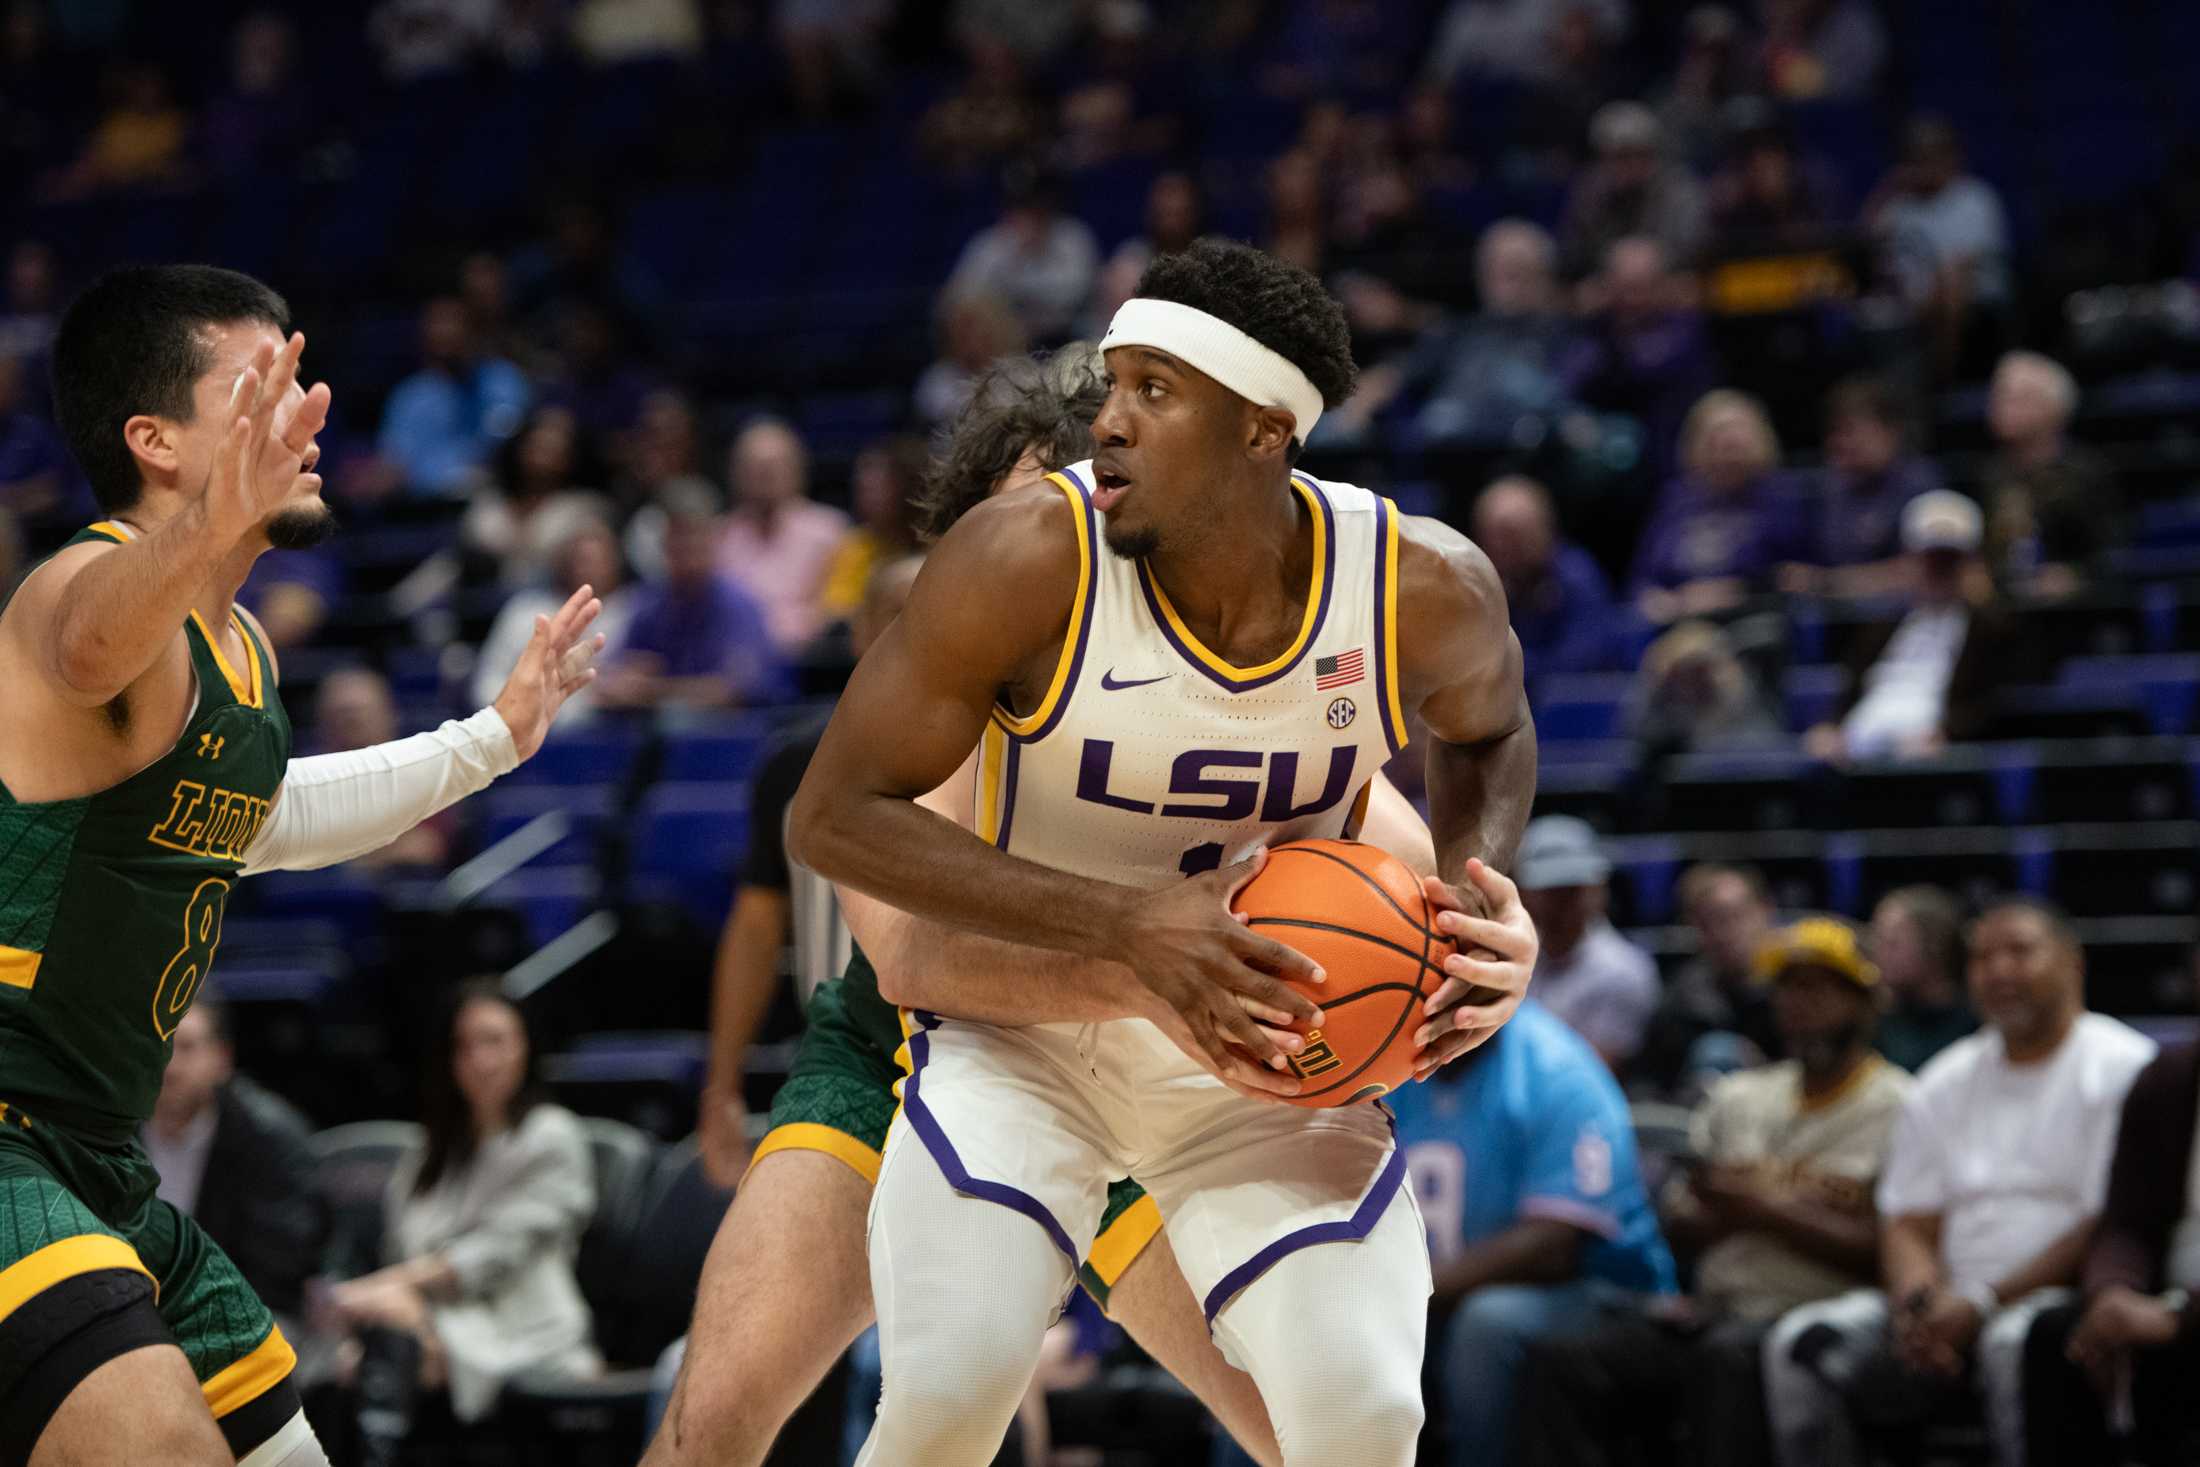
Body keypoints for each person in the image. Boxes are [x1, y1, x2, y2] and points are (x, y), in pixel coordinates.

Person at [788, 239, 1540, 1467]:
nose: (1109, 422)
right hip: (1024, 1049)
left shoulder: (1418, 583)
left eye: (1153, 391)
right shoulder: (1026, 558)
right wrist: (1127, 925)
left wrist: (1475, 902)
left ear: (1262, 431)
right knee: (951, 1391)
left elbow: (1491, 730)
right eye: (1111, 384)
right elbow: (830, 819)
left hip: (1261, 1046)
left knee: (1364, 1409)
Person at [655, 345, 1446, 1467]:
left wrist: (1469, 942)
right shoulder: (923, 689)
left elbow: (1408, 877)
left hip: (1142, 1077)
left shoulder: (1218, 680)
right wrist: (1151, 962)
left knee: (1309, 1429)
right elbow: (914, 961)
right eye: (1021, 519)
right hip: (904, 1057)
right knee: (715, 1423)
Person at [0, 265, 600, 1466]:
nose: (307, 411)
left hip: (104, 1160)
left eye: (305, 375)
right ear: (154, 441)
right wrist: (215, 520)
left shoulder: (244, 648)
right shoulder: (74, 592)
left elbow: (261, 821)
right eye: (262, 383)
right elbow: (86, 648)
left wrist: (489, 741)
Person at [1762, 898, 2157, 1467]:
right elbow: (1907, 1219)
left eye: (2019, 952)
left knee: (2014, 1345)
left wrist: (1981, 1304)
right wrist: (1918, 1308)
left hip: (2055, 1297)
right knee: (1802, 1344)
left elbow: (2107, 1221)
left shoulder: (2124, 1067)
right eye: (1982, 958)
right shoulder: (1945, 1078)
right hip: (1944, 1301)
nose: (1998, 971)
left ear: (2073, 963)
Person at [1517, 916, 1909, 1467]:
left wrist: (1753, 1206)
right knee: (1567, 1362)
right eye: (1788, 988)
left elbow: (1883, 1247)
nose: (1798, 1003)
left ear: (1866, 1001)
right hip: (1712, 1311)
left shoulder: (1900, 1104)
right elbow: (1679, 1220)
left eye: (1819, 988)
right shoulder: (1741, 1095)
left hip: (1814, 1317)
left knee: (1727, 1361)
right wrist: (1760, 1211)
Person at [1385, 998, 1673, 1467]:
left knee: (1488, 1323)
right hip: (1433, 1293)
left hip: (1600, 1290)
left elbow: (1553, 1246)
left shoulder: (1559, 1069)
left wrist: (1411, 1292)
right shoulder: (1389, 1059)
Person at [325, 981, 598, 1453]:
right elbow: (402, 1245)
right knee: (340, 1352)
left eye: (494, 1041)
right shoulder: (432, 1152)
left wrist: (381, 1292)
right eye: (465, 1045)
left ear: (526, 1047)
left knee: (385, 1340)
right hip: (434, 1320)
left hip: (521, 1325)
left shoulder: (552, 1137)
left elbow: (490, 1256)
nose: (480, 1059)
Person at [2023, 1031, 2200, 1465]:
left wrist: (2180, 1319)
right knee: (2059, 1335)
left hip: (2184, 1316)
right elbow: (2126, 1222)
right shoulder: (2171, 1077)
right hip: (2166, 1299)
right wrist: (2113, 1294)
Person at [143, 1000, 326, 1328]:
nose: (169, 1065)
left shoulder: (270, 1138)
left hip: (241, 1316)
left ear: (222, 1059)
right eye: (158, 1045)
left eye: (186, 1048)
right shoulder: (109, 1130)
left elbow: (279, 1268)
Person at [1325, 220, 1578, 448]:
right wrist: (1362, 402)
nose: (1500, 280)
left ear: (1544, 276)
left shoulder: (1562, 335)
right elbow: (1400, 373)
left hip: (1517, 455)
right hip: (1444, 451)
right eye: (1492, 268)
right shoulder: (1461, 331)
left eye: (1514, 270)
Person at [1803, 490, 2012, 764]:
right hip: (1860, 738)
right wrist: (1831, 727)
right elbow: (1850, 689)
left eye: (1949, 560)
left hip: (1929, 744)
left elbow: (1990, 701)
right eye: (1931, 559)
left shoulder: (1987, 627)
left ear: (1969, 564)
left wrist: (1948, 734)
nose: (1939, 570)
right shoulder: (1884, 624)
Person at [599, 488, 786, 712]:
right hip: (657, 732)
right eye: (677, 539)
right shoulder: (650, 605)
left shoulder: (740, 606)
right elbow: (608, 680)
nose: (686, 550)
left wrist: (653, 689)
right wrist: (624, 681)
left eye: (693, 537)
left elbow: (733, 690)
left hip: (733, 736)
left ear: (713, 541)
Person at [1630, 389, 1808, 625]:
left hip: (1756, 622)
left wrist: (1735, 592)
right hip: (1678, 624)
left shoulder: (1780, 498)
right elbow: (1642, 580)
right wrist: (1664, 601)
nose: (1727, 455)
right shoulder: (1676, 501)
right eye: (1717, 441)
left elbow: (1795, 576)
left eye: (1735, 444)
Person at [1863, 117, 2011, 375]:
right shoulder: (1897, 207)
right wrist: (1888, 188)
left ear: (1952, 156)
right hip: (1909, 306)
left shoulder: (1975, 198)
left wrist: (1922, 305)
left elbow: (1959, 269)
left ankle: (1944, 376)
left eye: (1934, 154)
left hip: (1971, 308)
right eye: (1917, 157)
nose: (1927, 164)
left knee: (1951, 285)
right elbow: (1863, 247)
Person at [1513, 815, 1658, 1070]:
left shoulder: (1625, 970)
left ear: (1598, 888)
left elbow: (1591, 1072)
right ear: (1522, 892)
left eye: (1572, 888)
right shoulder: (1506, 958)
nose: (1562, 903)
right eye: (1550, 890)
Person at [1783, 374, 1943, 599]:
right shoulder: (1828, 490)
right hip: (1834, 616)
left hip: (1897, 616)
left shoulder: (1919, 483)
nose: (1840, 442)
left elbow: (1921, 572)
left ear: (1890, 431)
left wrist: (1828, 582)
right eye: (1834, 432)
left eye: (1851, 431)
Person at [1979, 349, 2118, 598]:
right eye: (1998, 395)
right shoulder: (1990, 473)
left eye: (2014, 397)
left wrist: (2075, 576)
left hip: (2075, 609)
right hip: (2004, 605)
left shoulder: (2086, 473)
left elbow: (2111, 551)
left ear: (2052, 408)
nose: (1998, 405)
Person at [1638, 862, 1782, 1099]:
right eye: (1709, 922)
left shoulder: (1793, 989)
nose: (1724, 932)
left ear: (1766, 911)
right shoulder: (1680, 999)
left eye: (1735, 916)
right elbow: (1646, 1085)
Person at [472, 513, 637, 718]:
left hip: (605, 728)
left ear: (616, 562)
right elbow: (487, 681)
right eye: (580, 560)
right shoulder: (525, 611)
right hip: (523, 722)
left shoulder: (635, 611)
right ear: (561, 563)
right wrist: (515, 710)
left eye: (598, 560)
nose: (588, 569)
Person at [715, 417, 848, 656]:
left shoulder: (829, 530)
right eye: (755, 466)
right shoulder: (720, 535)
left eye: (776, 464)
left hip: (808, 660)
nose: (766, 474)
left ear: (797, 468)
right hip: (734, 659)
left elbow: (836, 609)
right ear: (736, 473)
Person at [373, 295, 531, 498]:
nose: (446, 332)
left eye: (453, 322)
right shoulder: (410, 396)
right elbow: (394, 462)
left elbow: (515, 448)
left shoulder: (503, 381)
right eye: (437, 324)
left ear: (474, 330)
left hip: (491, 497)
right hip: (426, 506)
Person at [1470, 475, 1617, 678]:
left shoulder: (1577, 578)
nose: (1500, 546)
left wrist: (1510, 669)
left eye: (1511, 535)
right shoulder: (1479, 584)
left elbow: (1581, 661)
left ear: (1543, 529)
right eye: (1492, 535)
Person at [310, 668, 454, 869]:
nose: (353, 723)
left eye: (361, 713)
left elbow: (426, 846)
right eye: (342, 714)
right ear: (322, 720)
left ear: (390, 714)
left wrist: (357, 860)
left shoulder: (420, 769)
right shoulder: (303, 775)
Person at [943, 164, 1102, 343]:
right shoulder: (989, 244)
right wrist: (1015, 257)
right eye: (1019, 207)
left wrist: (1014, 285)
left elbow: (1076, 292)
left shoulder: (1073, 236)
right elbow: (959, 298)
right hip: (1001, 344)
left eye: (1035, 206)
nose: (1027, 216)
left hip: (1067, 340)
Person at [1562, 102, 1708, 277]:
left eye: (1639, 154)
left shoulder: (1679, 188)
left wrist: (1645, 260)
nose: (1631, 165)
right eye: (1620, 157)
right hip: (1609, 280)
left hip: (1667, 278)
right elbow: (1575, 252)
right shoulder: (1591, 190)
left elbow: (1692, 248)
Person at [1627, 618, 1788, 759]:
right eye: (1683, 672)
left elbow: (1764, 750)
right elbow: (1640, 744)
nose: (1691, 681)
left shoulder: (1744, 701)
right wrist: (1657, 682)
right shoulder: (1661, 711)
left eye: (1700, 670)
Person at [819, 435, 926, 623]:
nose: (867, 498)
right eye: (862, 488)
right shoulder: (854, 547)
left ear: (906, 487)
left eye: (878, 488)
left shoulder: (936, 543)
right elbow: (836, 611)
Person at [1867, 885, 1975, 1073]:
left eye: (1892, 943)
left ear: (1935, 945)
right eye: (1876, 940)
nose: (1878, 953)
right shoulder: (1872, 1025)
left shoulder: (1978, 1021)